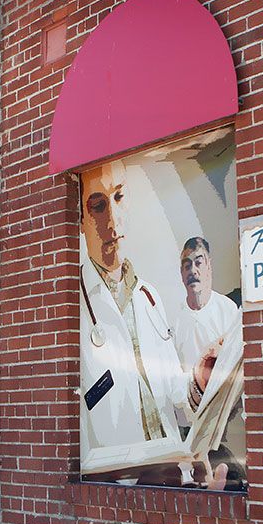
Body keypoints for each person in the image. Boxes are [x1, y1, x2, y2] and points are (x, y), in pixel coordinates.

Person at [79, 161, 200, 482]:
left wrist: (200, 382)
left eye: (119, 198)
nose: (113, 220)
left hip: (173, 473)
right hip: (121, 485)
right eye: (98, 207)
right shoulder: (74, 306)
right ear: (80, 220)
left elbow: (175, 394)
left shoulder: (149, 296)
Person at [174, 236, 246, 490]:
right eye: (186, 265)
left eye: (198, 262)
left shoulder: (228, 311)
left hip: (223, 423)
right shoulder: (174, 320)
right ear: (181, 273)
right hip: (187, 425)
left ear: (209, 266)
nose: (192, 270)